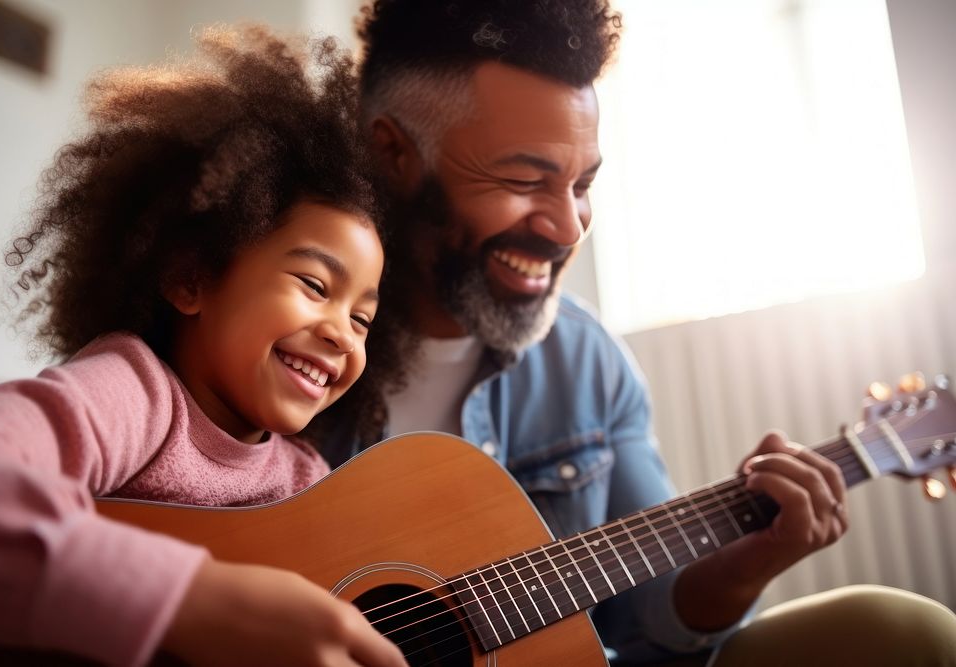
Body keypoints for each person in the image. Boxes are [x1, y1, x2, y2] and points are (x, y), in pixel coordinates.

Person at [319, 1, 956, 665]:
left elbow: (645, 617)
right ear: (393, 152)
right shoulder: (281, 343)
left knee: (901, 629)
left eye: (583, 184)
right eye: (523, 180)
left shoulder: (587, 359)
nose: (569, 228)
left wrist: (751, 559)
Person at [0, 25, 407, 667]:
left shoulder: (308, 480)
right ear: (190, 277)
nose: (341, 332)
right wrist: (187, 599)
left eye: (363, 320)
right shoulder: (137, 394)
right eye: (314, 284)